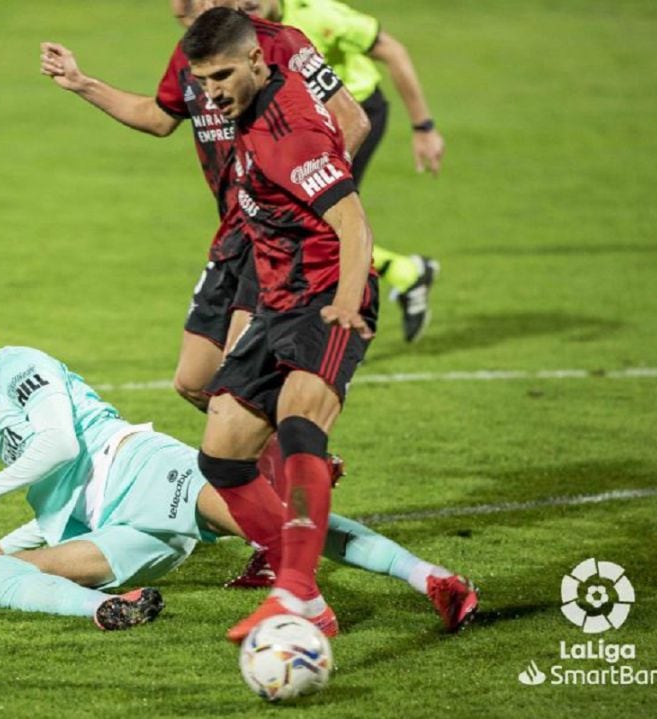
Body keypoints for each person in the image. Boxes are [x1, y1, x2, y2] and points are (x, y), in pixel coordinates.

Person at [0, 294, 478, 633]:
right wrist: (7, 546)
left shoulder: (20, 368)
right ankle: (111, 609)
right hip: (122, 531)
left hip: (145, 474)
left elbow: (63, 445)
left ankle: (431, 578)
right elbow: (61, 494)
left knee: (280, 524)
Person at [179, 7, 474, 643]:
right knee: (223, 458)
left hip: (323, 300)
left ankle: (296, 593)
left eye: (225, 75)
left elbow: (354, 224)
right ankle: (304, 585)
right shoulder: (247, 111)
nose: (214, 93)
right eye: (204, 82)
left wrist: (345, 303)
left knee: (298, 426)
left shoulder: (292, 134)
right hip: (276, 299)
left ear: (258, 60)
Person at [41, 1, 369, 414]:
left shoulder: (281, 44)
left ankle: (297, 456)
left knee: (237, 385)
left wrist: (311, 197)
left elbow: (352, 121)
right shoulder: (191, 53)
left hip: (274, 235)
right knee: (194, 382)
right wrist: (82, 83)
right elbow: (158, 117)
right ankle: (283, 453)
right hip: (233, 233)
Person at [249, 0, 445, 341]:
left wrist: (423, 127)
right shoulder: (246, 28)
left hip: (355, 116)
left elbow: (394, 52)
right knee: (313, 218)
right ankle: (404, 273)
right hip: (307, 125)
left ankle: (339, 322)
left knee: (322, 217)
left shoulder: (319, 14)